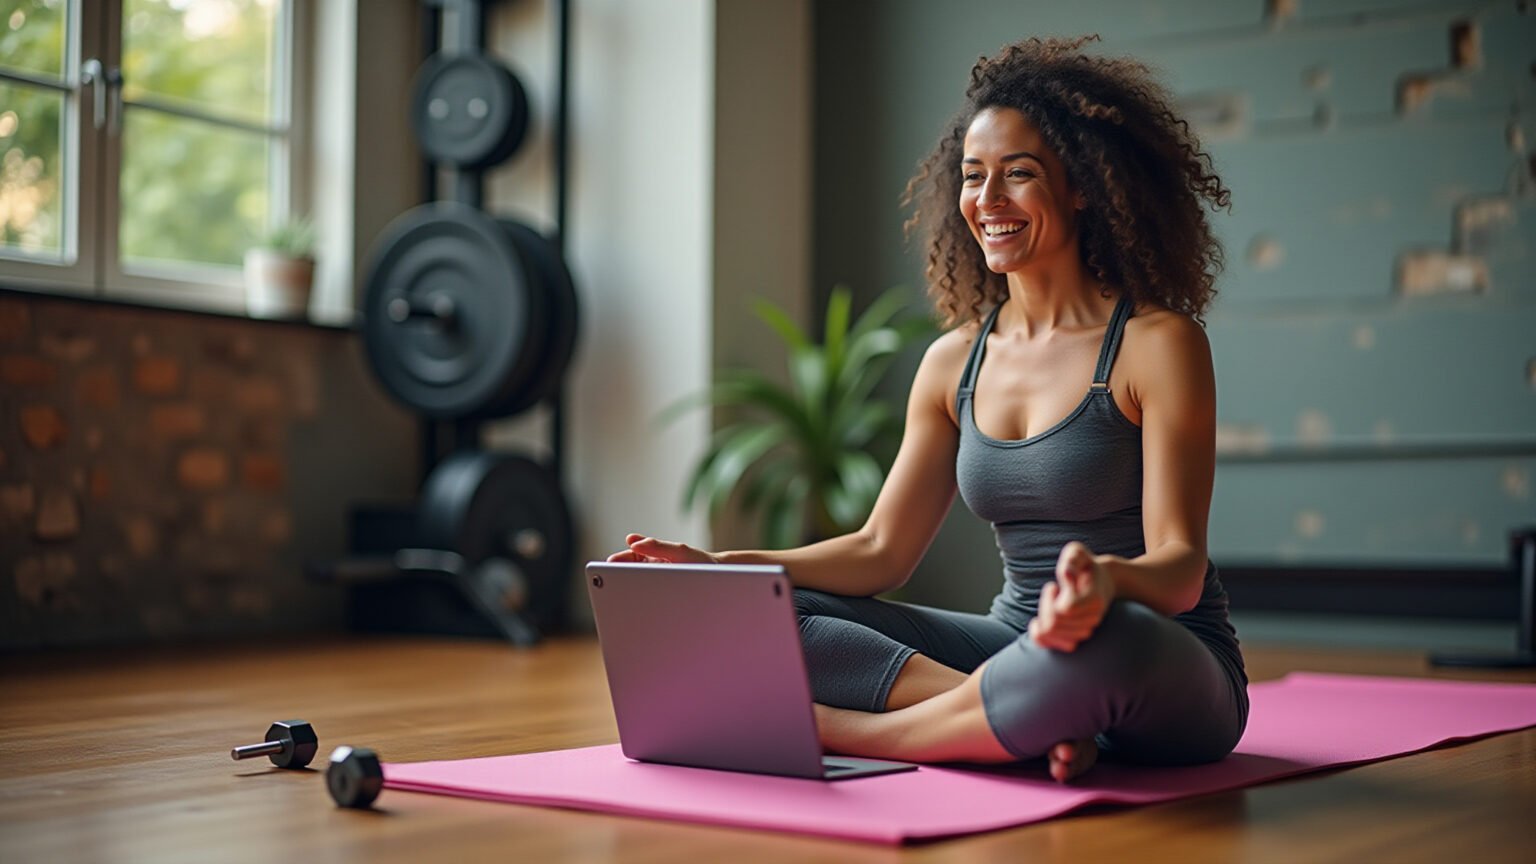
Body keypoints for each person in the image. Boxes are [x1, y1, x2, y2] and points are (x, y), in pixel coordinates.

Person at [608, 35, 1246, 783]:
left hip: (1159, 652)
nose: (988, 201)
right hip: (1012, 646)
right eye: (974, 178)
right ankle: (1017, 718)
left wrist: (1104, 584)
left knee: (1104, 645)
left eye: (1019, 175)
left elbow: (1179, 569)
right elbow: (881, 548)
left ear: (1082, 186)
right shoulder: (955, 362)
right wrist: (720, 569)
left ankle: (850, 732)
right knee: (772, 618)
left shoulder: (1155, 344)